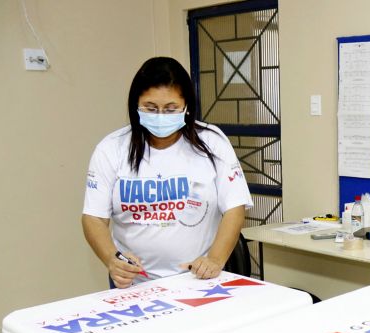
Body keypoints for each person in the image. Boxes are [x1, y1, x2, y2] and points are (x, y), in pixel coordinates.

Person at [82, 57, 252, 288]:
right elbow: (93, 217)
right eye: (150, 108)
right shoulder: (111, 148)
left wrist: (214, 260)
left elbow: (234, 208)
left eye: (171, 109)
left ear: (186, 106)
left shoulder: (212, 142)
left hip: (198, 279)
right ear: (136, 105)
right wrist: (112, 259)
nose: (160, 116)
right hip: (133, 283)